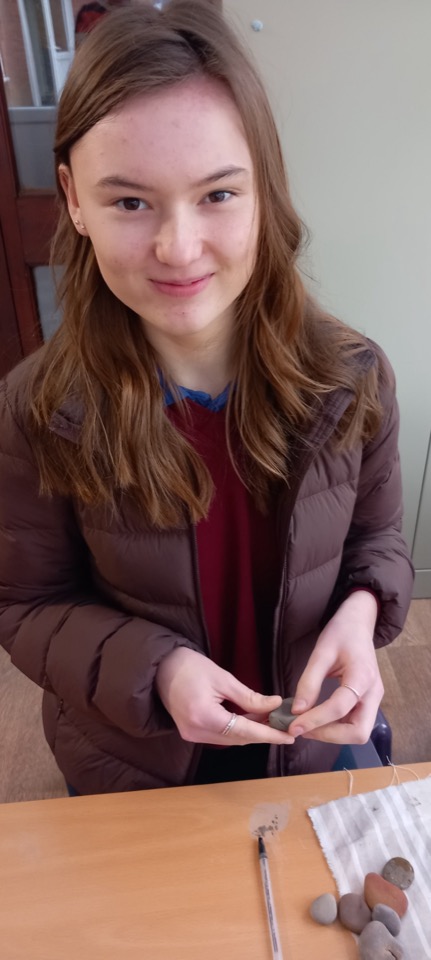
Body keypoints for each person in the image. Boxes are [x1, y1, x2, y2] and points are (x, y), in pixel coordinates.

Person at [0, 0, 413, 795]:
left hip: (311, 744)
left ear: (263, 190)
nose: (178, 247)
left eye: (217, 194)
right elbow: (25, 603)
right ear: (74, 199)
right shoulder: (36, 411)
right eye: (130, 202)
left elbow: (377, 541)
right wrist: (157, 671)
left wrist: (362, 610)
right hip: (135, 762)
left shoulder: (353, 379)